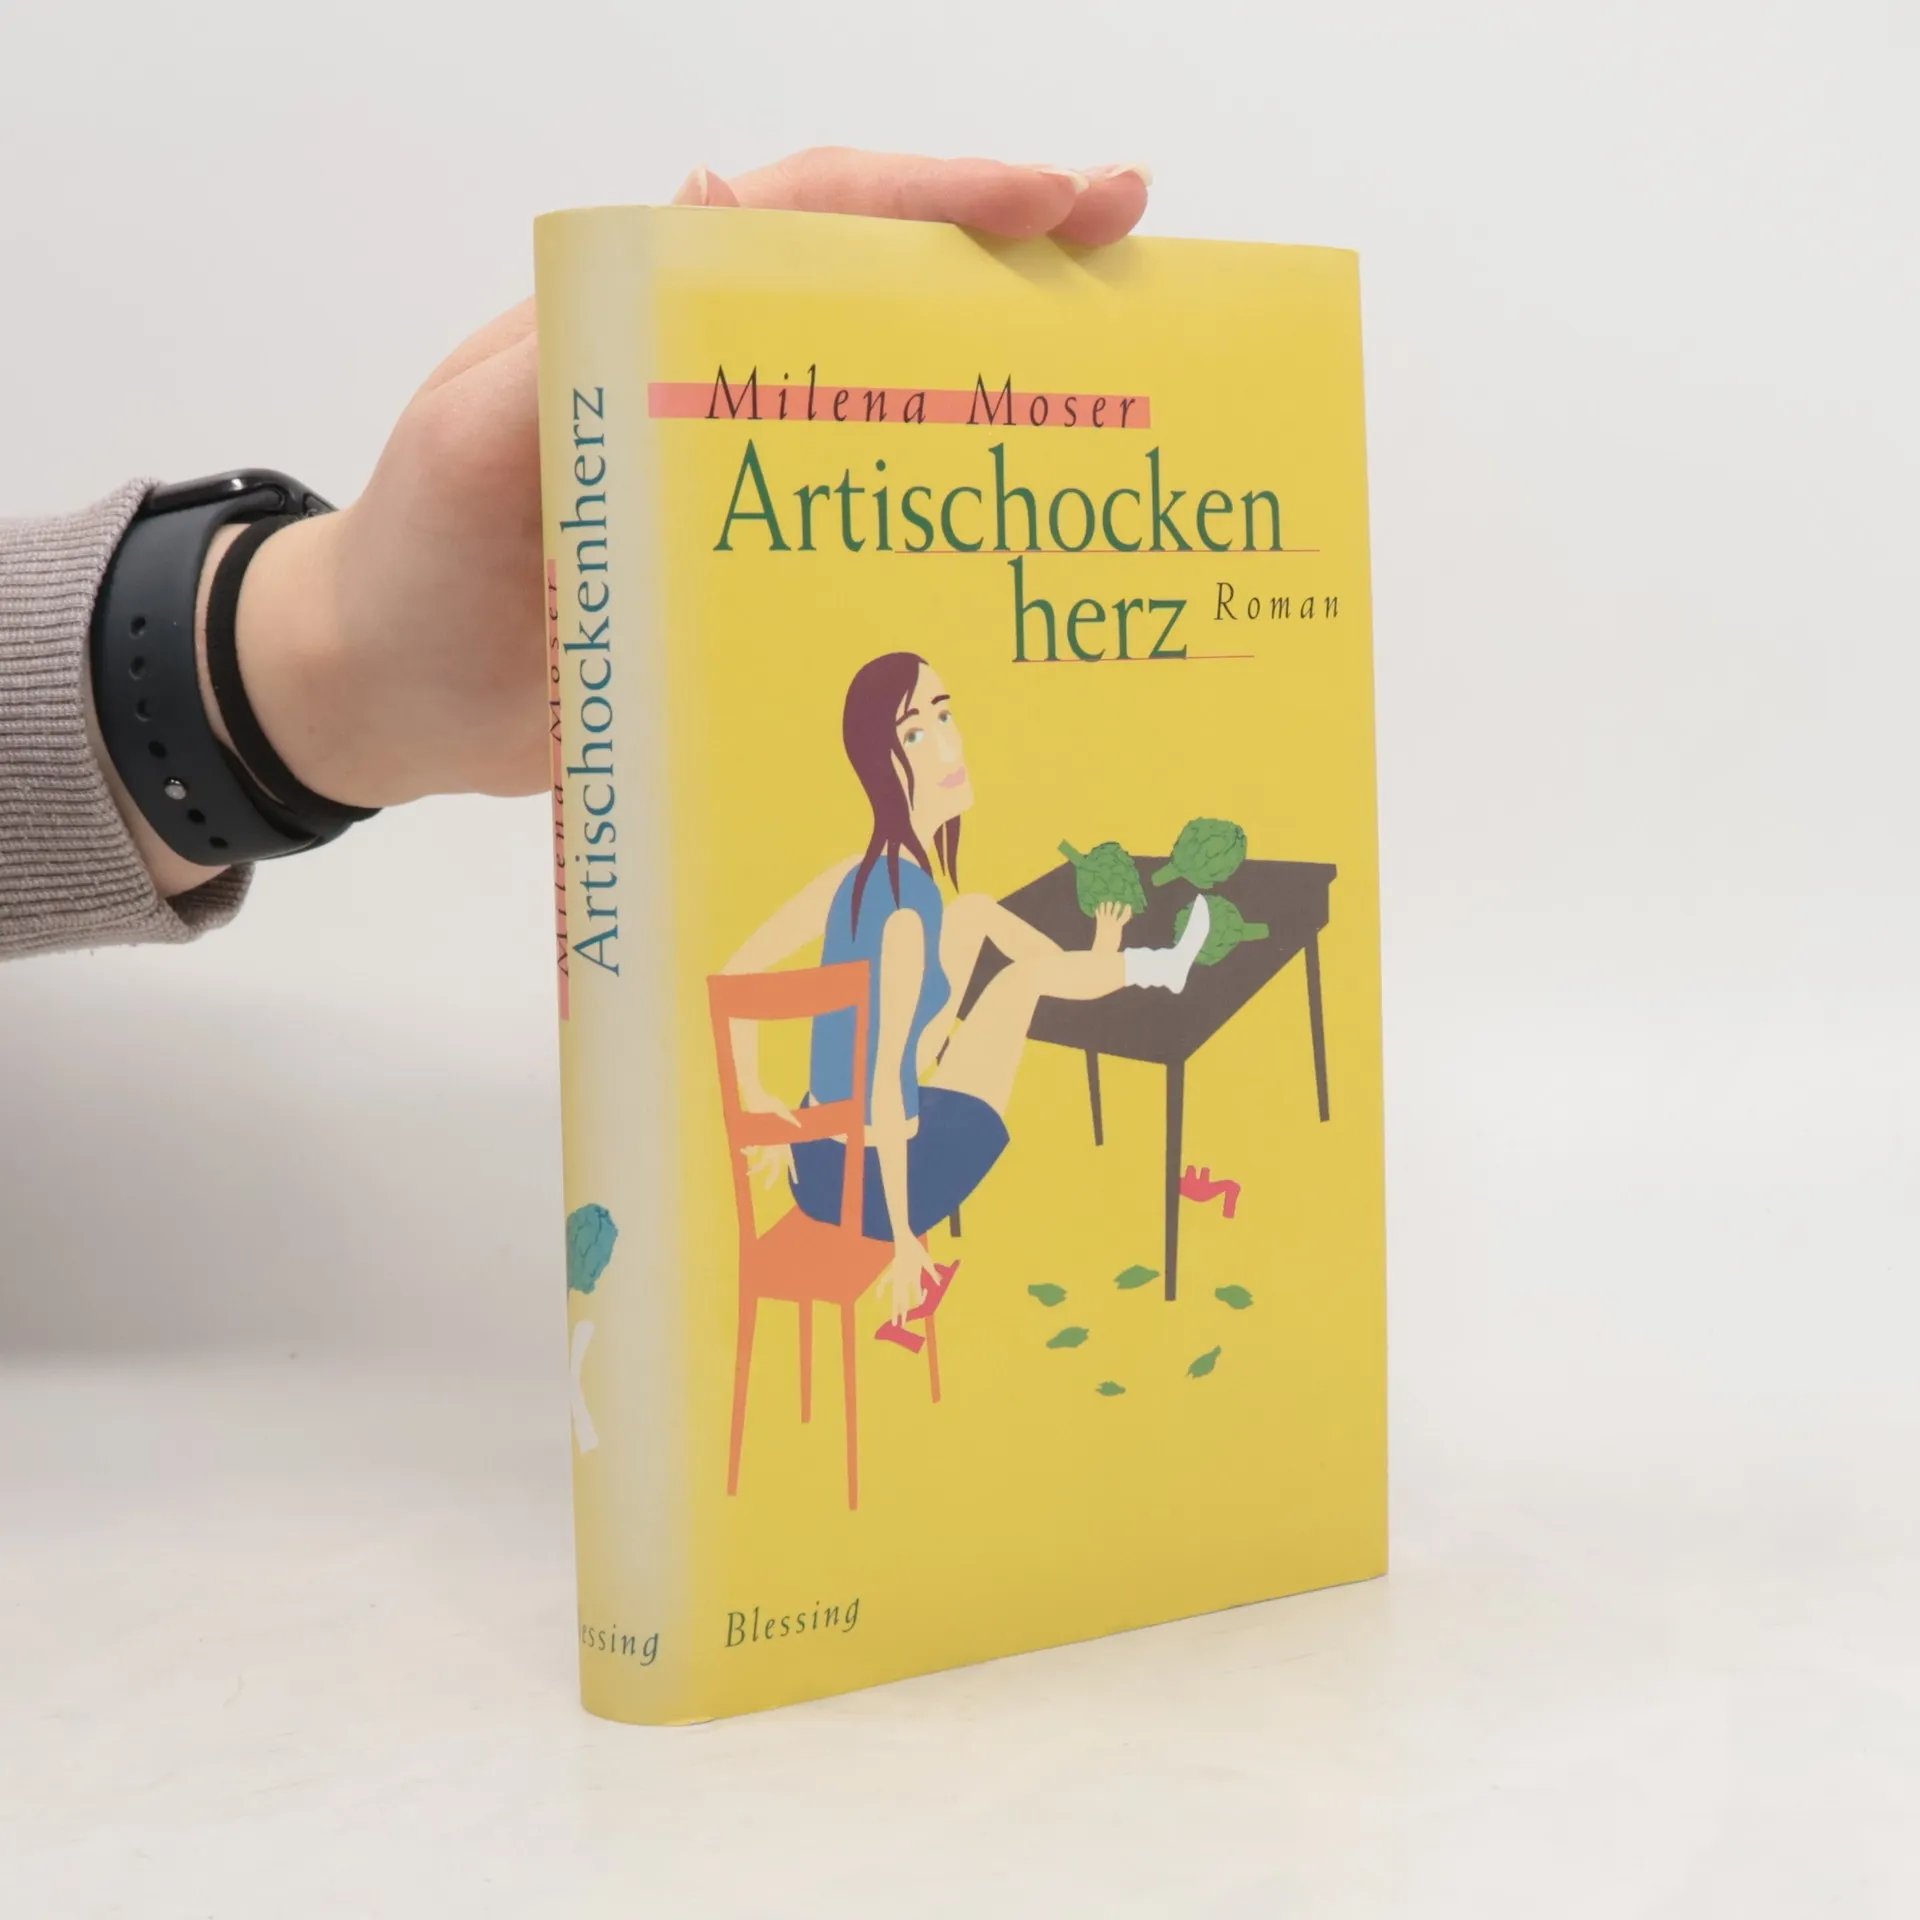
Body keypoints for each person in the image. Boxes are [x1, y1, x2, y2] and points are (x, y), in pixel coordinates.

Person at [0, 149, 1151, 962]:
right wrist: (334, 653)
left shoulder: (911, 891)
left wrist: (338, 669)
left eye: (938, 716)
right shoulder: (889, 897)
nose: (949, 738)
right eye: (923, 721)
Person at [720, 653, 1210, 1327]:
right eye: (916, 733)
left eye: (945, 716)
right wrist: (901, 1240)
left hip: (819, 1161)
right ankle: (1158, 967)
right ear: (884, 766)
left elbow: (736, 976)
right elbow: (886, 1085)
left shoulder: (853, 875)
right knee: (1020, 981)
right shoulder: (906, 913)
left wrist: (759, 1097)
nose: (948, 744)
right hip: (879, 1186)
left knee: (975, 911)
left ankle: (1103, 964)